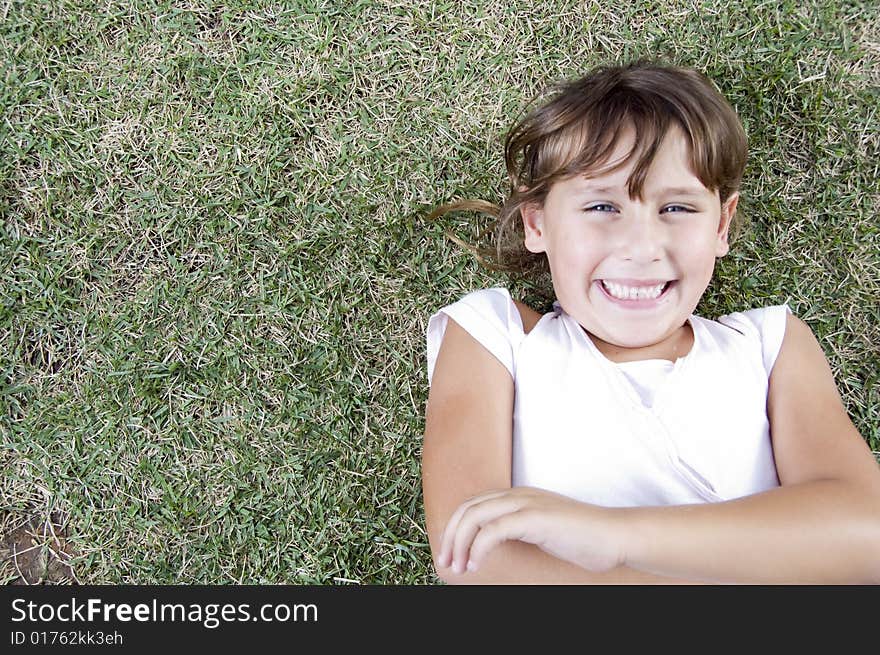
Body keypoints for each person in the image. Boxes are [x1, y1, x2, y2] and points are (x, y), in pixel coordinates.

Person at [421, 60, 880, 584]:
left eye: (678, 209)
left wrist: (614, 537)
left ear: (721, 225)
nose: (642, 247)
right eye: (601, 206)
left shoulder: (771, 347)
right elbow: (473, 558)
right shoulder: (494, 337)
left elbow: (866, 534)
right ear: (538, 222)